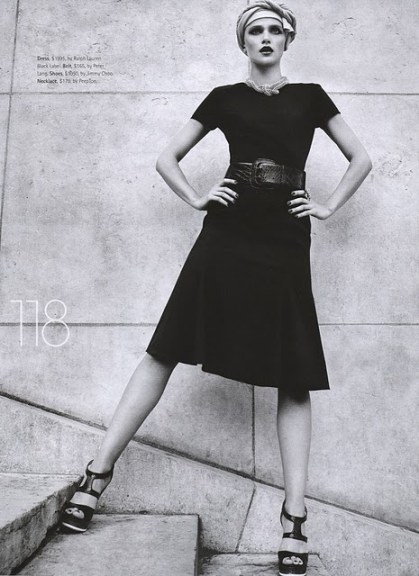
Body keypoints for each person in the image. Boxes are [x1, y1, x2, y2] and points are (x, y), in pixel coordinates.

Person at [59, 2, 372, 574]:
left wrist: (326, 206)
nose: (266, 37)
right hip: (227, 233)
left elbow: (361, 158)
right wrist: (197, 196)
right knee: (165, 348)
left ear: (288, 40)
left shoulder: (312, 97)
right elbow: (167, 158)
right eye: (255, 30)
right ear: (242, 42)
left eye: (275, 30)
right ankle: (96, 475)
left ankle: (294, 520)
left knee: (294, 371)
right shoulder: (224, 97)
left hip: (284, 238)